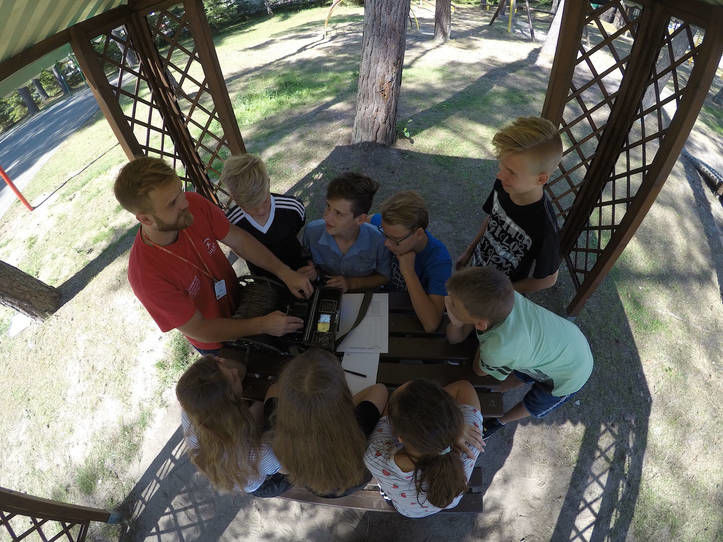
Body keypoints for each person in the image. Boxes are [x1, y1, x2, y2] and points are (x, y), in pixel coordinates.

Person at [114, 156, 313, 355]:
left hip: (242, 304)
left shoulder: (193, 204)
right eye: (172, 203)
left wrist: (284, 272)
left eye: (180, 190)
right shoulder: (146, 275)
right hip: (218, 343)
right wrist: (261, 325)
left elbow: (240, 240)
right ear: (145, 219)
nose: (184, 202)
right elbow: (200, 329)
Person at [445, 266, 594, 440]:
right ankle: (495, 391)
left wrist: (476, 338)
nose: (447, 301)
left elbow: (478, 370)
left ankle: (500, 421)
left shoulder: (498, 348)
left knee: (535, 403)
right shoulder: (502, 299)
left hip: (572, 374)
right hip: (566, 340)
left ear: (481, 324)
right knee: (521, 372)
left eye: (453, 304)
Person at [456, 117, 562, 293]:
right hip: (477, 268)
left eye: (511, 172)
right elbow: (492, 218)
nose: (500, 175)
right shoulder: (504, 185)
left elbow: (549, 279)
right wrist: (469, 251)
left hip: (497, 296)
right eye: (502, 166)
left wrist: (503, 291)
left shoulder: (544, 227)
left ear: (541, 179)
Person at [268, 348, 388, 497]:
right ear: (344, 396)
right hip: (356, 480)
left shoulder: (279, 438)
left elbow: (273, 388)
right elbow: (380, 389)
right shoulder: (360, 422)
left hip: (315, 486)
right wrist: (340, 407)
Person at [364, 379, 484, 518]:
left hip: (407, 510)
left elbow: (393, 406)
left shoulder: (375, 456)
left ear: (400, 437)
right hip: (448, 500)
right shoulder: (472, 441)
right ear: (455, 418)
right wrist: (449, 425)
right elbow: (464, 387)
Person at [176, 355, 291, 497]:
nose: (235, 371)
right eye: (234, 378)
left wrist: (220, 367)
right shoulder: (261, 453)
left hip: (237, 462)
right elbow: (287, 468)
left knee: (261, 404)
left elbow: (240, 369)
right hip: (268, 482)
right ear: (231, 405)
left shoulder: (192, 412)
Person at [369, 191, 452, 332]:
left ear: (419, 233)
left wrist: (409, 272)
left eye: (395, 240)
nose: (387, 244)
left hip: (409, 316)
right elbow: (367, 220)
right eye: (385, 234)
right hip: (381, 301)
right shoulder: (390, 226)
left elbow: (431, 324)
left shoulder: (439, 261)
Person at [220, 154, 310, 279]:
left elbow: (298, 231)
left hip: (300, 273)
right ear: (235, 199)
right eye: (251, 207)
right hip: (265, 283)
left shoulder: (293, 208)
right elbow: (237, 248)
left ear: (268, 183)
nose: (261, 211)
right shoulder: (232, 224)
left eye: (265, 201)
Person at [301, 173, 390, 291]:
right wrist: (312, 272)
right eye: (328, 206)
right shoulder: (312, 232)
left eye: (338, 213)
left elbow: (384, 277)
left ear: (360, 219)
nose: (327, 217)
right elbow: (307, 261)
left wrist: (351, 283)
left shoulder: (379, 241)